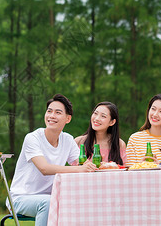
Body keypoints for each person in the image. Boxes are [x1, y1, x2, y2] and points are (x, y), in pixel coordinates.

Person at [8, 94, 97, 226]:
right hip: (20, 198)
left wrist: (94, 166)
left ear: (68, 119)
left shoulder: (67, 139)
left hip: (52, 197)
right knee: (48, 202)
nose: (51, 115)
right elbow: (44, 168)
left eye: (57, 112)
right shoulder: (32, 138)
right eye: (49, 111)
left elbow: (82, 164)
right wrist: (79, 168)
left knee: (80, 202)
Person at [126, 94, 161, 166]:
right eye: (153, 109)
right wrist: (140, 166)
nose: (155, 114)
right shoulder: (135, 139)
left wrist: (160, 166)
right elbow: (129, 171)